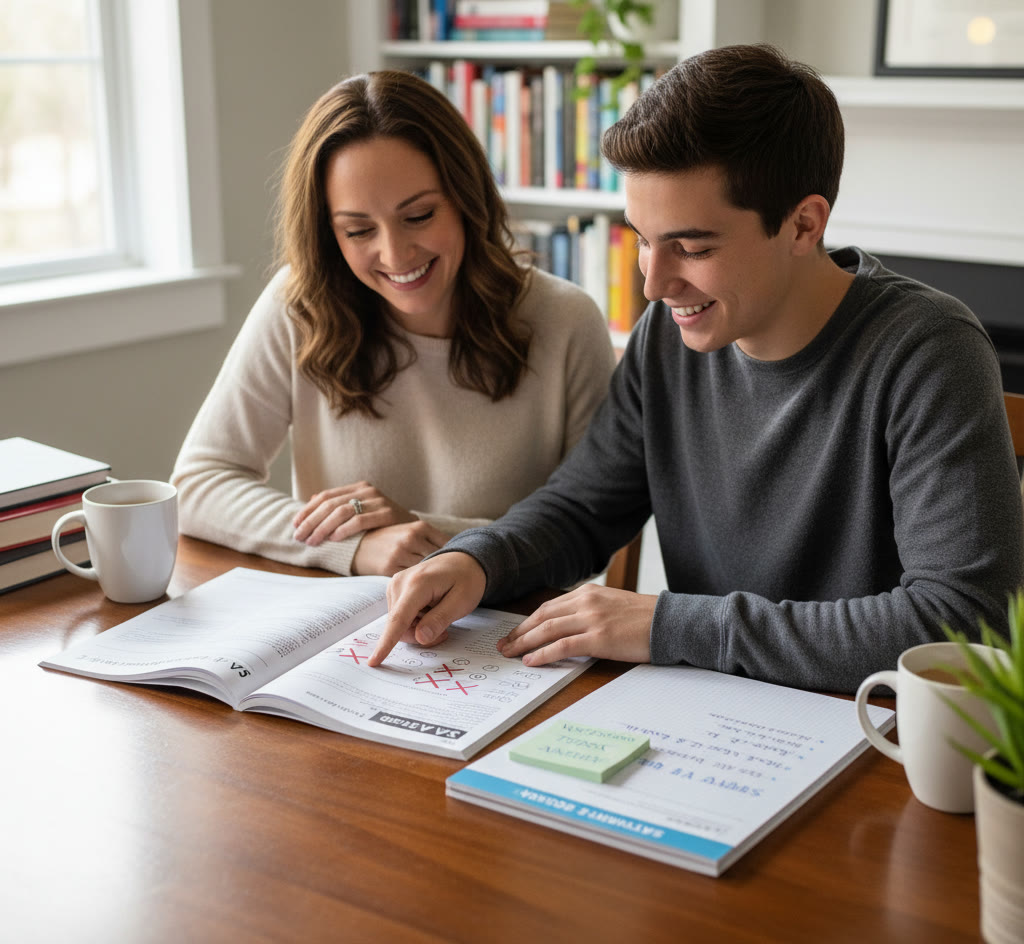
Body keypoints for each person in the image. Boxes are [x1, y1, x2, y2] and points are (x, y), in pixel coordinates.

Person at [370, 43, 1024, 692]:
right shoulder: (668, 336)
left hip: (870, 737)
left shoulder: (928, 351)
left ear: (802, 226)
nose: (654, 285)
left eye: (691, 246)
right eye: (643, 241)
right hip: (706, 712)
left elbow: (961, 621)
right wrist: (474, 561)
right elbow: (581, 508)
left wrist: (670, 626)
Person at [171, 70, 615, 577]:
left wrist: (423, 535)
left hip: (506, 628)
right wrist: (356, 546)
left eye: (420, 216)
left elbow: (590, 531)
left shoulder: (565, 322)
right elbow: (197, 485)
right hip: (342, 626)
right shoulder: (300, 305)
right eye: (358, 230)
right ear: (328, 234)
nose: (395, 254)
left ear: (466, 198)